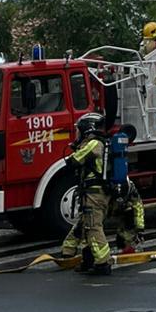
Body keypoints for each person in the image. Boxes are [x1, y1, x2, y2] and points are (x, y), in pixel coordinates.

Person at [60, 111, 113, 274]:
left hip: (94, 194)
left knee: (93, 227)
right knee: (85, 225)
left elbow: (73, 161)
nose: (77, 133)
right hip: (93, 193)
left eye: (79, 130)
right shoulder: (99, 143)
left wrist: (75, 148)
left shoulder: (94, 144)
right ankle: (86, 259)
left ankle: (103, 264)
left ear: (87, 129)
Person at [103, 177, 146, 254]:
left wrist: (140, 229)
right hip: (106, 206)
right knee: (92, 226)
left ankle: (125, 242)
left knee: (130, 212)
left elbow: (138, 208)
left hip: (122, 208)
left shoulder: (131, 189)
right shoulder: (103, 190)